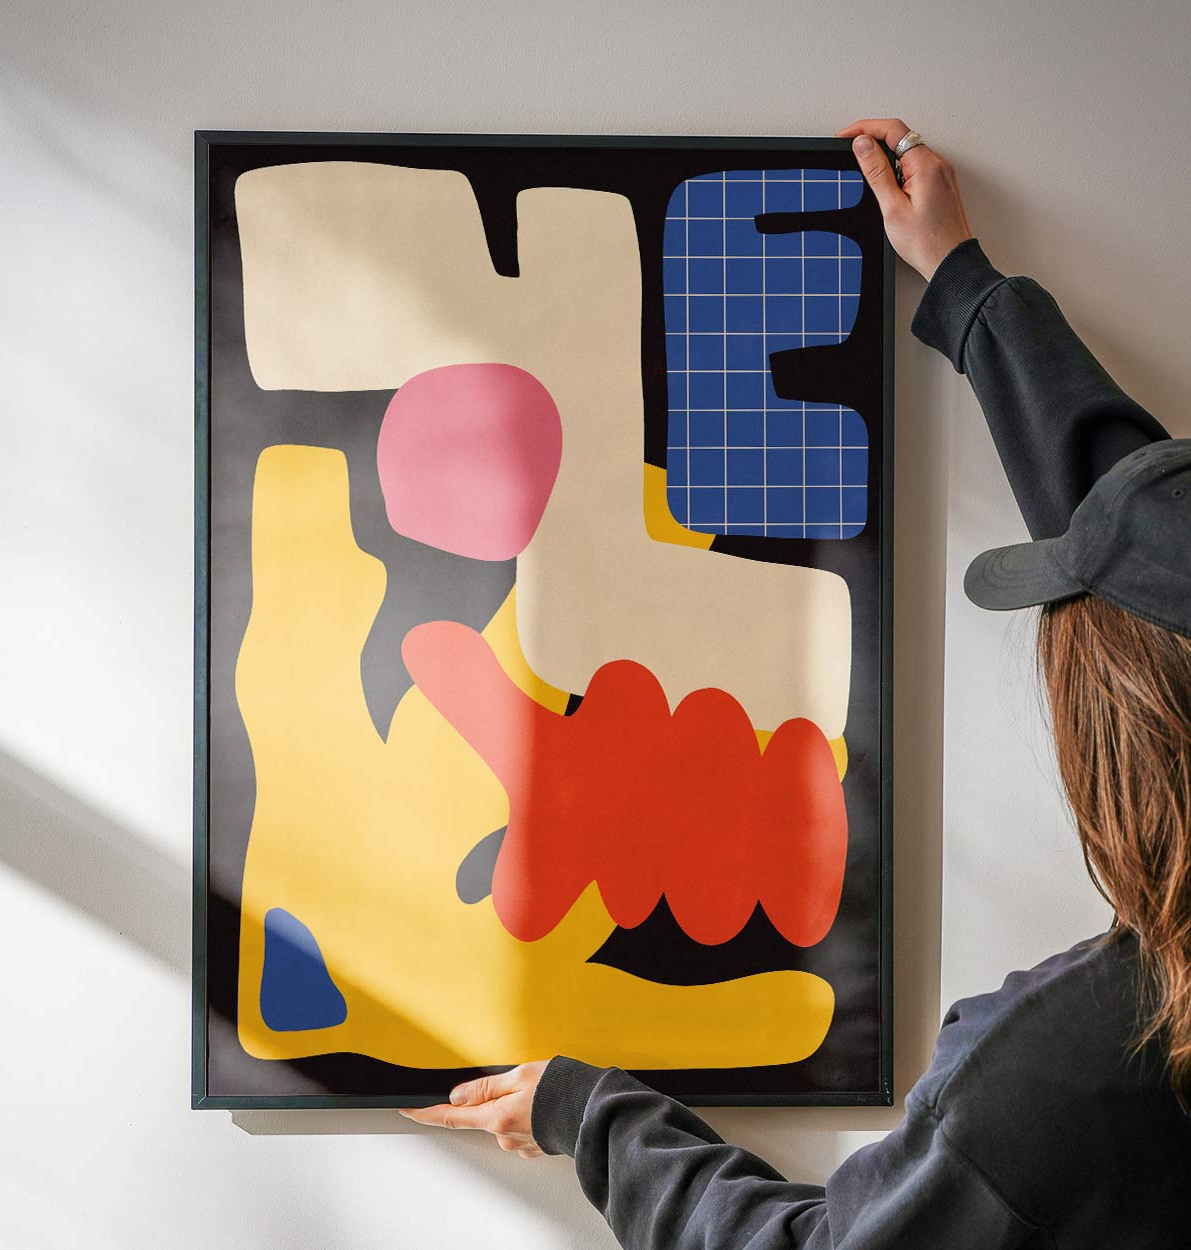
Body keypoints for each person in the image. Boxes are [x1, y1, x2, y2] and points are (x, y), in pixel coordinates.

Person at [399, 116, 1191, 1247]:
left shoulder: (1074, 1074)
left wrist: (588, 1111)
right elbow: (1149, 540)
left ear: (1119, 730)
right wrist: (967, 291)